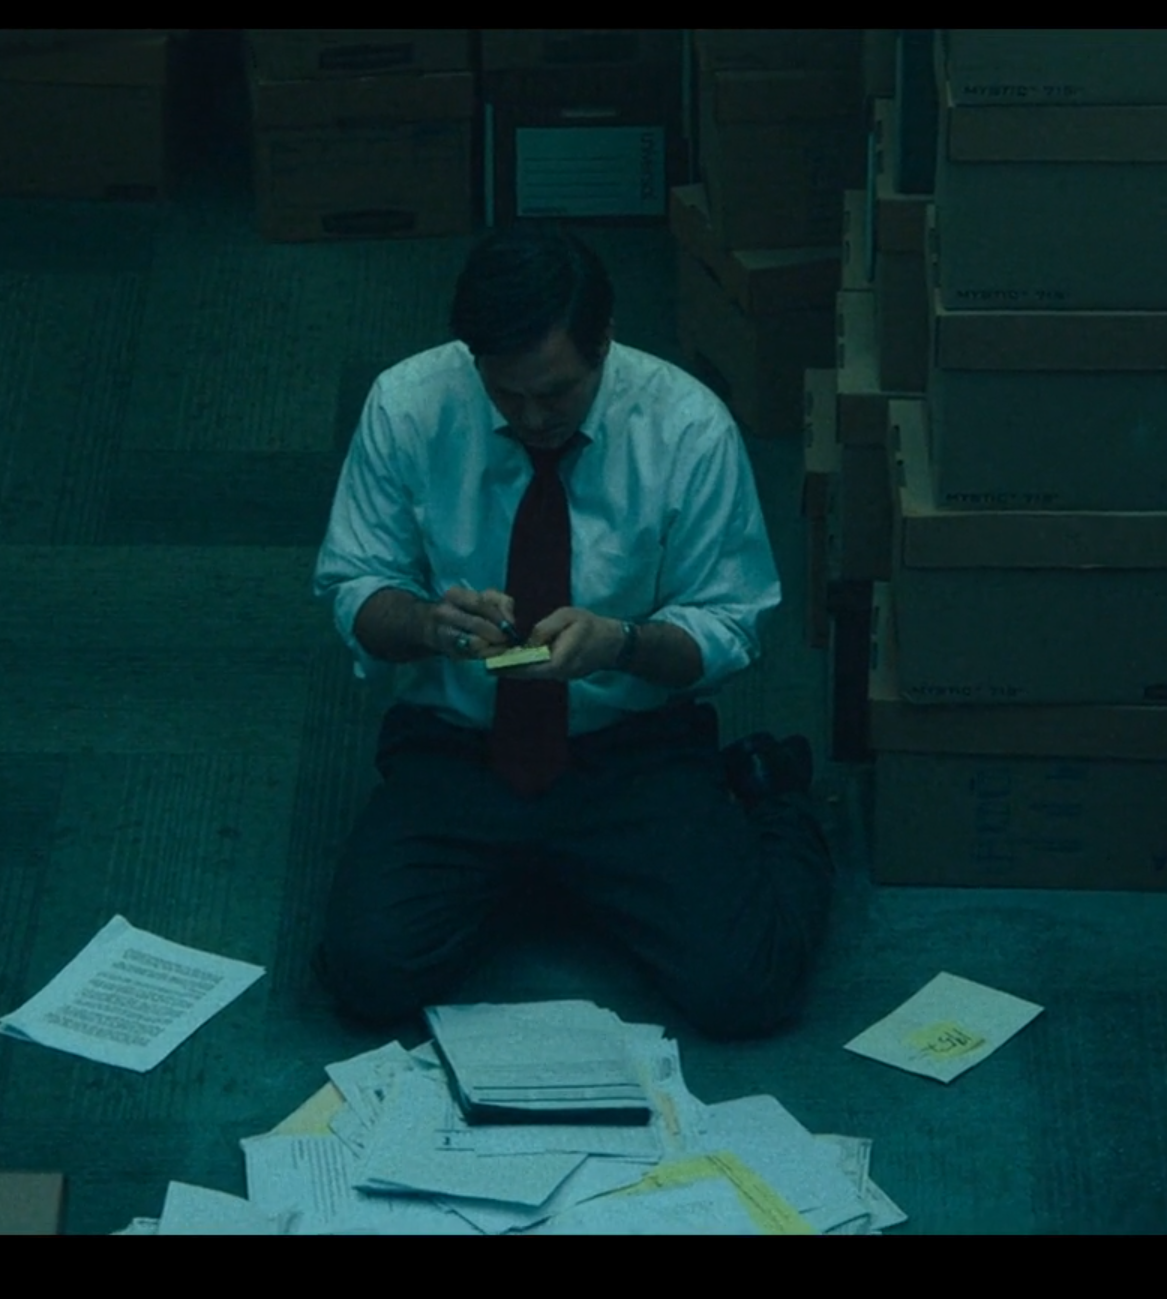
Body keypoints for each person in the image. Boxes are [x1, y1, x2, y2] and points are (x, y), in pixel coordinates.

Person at [311, 220, 831, 1038]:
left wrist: (621, 643)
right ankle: (550, 874)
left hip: (631, 746)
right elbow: (354, 586)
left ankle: (774, 799)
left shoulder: (687, 428)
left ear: (605, 342)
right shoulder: (408, 404)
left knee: (746, 988)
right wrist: (426, 623)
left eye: (555, 393)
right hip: (462, 744)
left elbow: (731, 629)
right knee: (365, 972)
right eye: (504, 393)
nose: (530, 417)